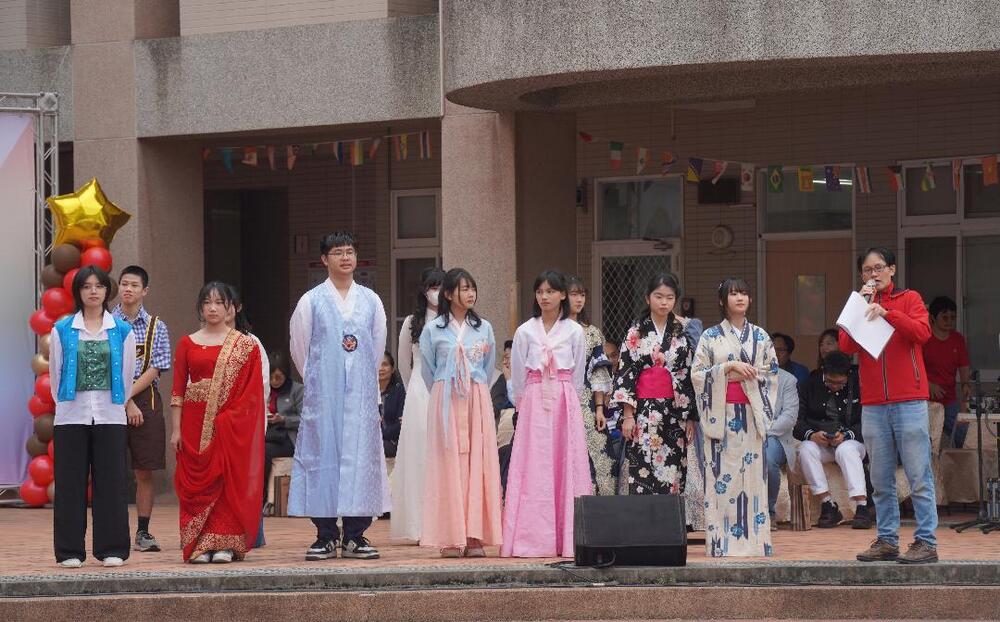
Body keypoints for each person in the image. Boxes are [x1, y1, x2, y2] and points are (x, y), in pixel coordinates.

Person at [289, 231, 389, 561]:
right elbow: (300, 349)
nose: (345, 257)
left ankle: (356, 535)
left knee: (361, 460)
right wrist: (321, 381)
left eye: (349, 252)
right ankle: (326, 535)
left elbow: (376, 348)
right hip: (324, 396)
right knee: (323, 459)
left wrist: (360, 382)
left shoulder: (371, 301)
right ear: (324, 259)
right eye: (337, 252)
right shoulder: (310, 301)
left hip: (360, 396)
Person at [844, 247, 937, 564]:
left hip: (909, 400)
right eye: (867, 270)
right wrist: (858, 306)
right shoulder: (860, 302)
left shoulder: (910, 298)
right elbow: (845, 345)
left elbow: (922, 333)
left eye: (879, 268)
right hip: (873, 403)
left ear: (892, 270)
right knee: (880, 480)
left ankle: (926, 542)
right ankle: (887, 540)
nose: (874, 274)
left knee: (918, 475)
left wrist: (888, 314)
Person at [49, 266, 136, 568]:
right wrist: (67, 405)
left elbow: (127, 375)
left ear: (107, 290)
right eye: (86, 286)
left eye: (99, 285)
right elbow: (55, 375)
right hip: (71, 417)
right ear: (78, 292)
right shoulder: (62, 329)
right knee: (69, 484)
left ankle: (112, 548)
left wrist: (115, 405)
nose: (93, 291)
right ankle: (69, 551)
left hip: (110, 416)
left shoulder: (122, 331)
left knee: (111, 483)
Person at [171, 282, 264, 563]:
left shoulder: (244, 345)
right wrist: (176, 429)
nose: (213, 308)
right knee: (196, 485)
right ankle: (199, 544)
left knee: (225, 480)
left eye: (219, 303)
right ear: (200, 308)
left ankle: (225, 543)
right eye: (207, 302)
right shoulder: (187, 342)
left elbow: (251, 394)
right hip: (192, 423)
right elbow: (177, 391)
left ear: (230, 308)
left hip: (228, 425)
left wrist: (228, 420)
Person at [502, 270, 592, 558]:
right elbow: (518, 372)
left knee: (565, 462)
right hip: (533, 398)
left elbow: (579, 371)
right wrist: (522, 402)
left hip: (564, 398)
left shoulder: (574, 331)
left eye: (551, 291)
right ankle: (532, 538)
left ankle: (568, 538)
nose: (545, 297)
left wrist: (569, 399)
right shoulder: (525, 331)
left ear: (563, 295)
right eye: (540, 291)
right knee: (534, 465)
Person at [692, 277, 779, 557]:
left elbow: (771, 372)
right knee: (722, 481)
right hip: (721, 415)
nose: (739, 298)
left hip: (751, 416)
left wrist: (744, 375)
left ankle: (755, 544)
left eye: (743, 293)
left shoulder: (761, 336)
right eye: (733, 294)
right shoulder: (709, 337)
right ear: (722, 301)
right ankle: (721, 543)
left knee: (752, 482)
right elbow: (697, 375)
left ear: (750, 299)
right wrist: (728, 368)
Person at [419, 268, 502, 557]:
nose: (470, 294)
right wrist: (446, 386)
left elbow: (488, 367)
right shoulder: (433, 329)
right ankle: (450, 536)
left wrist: (472, 386)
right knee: (447, 463)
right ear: (448, 293)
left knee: (478, 462)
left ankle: (474, 535)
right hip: (445, 399)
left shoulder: (484, 328)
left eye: (472, 288)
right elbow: (428, 370)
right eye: (464, 289)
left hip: (476, 397)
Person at [610, 273, 697, 498]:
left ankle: (669, 518)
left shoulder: (681, 331)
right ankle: (643, 518)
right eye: (658, 296)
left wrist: (689, 416)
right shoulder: (636, 332)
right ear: (647, 298)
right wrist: (628, 415)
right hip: (643, 411)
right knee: (642, 467)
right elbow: (626, 373)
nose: (664, 302)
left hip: (674, 411)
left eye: (669, 297)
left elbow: (687, 374)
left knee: (673, 469)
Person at [112, 265, 171, 553]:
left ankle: (143, 532)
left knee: (144, 470)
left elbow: (156, 368)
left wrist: (130, 397)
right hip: (110, 401)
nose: (128, 289)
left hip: (146, 401)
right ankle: (112, 532)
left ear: (144, 290)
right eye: (124, 284)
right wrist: (126, 402)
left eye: (134, 285)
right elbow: (105, 366)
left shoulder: (156, 326)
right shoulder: (107, 322)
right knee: (109, 470)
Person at [390, 267, 444, 542]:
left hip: (445, 388)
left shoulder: (452, 320)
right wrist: (414, 386)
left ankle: (443, 521)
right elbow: (403, 362)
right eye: (432, 287)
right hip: (419, 391)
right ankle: (417, 523)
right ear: (424, 291)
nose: (437, 292)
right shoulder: (412, 322)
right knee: (418, 454)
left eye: (441, 286)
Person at [792, 351, 871, 529]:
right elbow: (797, 422)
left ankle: (862, 506)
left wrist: (846, 435)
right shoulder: (808, 385)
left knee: (846, 450)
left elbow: (867, 420)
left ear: (848, 375)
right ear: (823, 372)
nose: (835, 386)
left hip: (851, 441)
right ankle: (827, 504)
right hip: (821, 442)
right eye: (830, 382)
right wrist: (812, 435)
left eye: (840, 383)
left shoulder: (859, 385)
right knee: (805, 449)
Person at [566, 276, 616, 496]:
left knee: (597, 450)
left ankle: (598, 502)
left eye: (582, 295)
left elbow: (598, 373)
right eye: (574, 294)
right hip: (559, 398)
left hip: (586, 401)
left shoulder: (593, 332)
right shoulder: (552, 330)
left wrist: (599, 408)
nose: (579, 299)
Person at [923, 296, 971, 448]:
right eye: (945, 317)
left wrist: (965, 384)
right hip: (926, 403)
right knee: (928, 444)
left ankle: (964, 463)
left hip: (950, 400)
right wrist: (928, 384)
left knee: (965, 437)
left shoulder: (958, 339)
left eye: (953, 317)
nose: (949, 321)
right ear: (933, 318)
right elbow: (913, 368)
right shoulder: (924, 339)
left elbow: (964, 365)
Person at [263, 351, 303, 508]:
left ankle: (263, 498)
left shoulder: (297, 390)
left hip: (288, 439)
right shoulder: (264, 389)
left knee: (264, 451)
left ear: (286, 374)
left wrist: (284, 419)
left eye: (278, 377)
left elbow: (306, 419)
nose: (274, 381)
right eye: (271, 377)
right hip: (268, 434)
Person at [763, 367, 799, 528]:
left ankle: (768, 513)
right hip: (745, 434)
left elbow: (790, 417)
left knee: (767, 458)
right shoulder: (743, 374)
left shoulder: (787, 379)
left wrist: (764, 432)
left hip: (776, 436)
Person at [379, 351, 405, 458]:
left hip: (392, 441)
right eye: (378, 364)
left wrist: (382, 433)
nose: (381, 368)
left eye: (385, 364)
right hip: (371, 440)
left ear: (393, 369)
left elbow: (401, 423)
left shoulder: (399, 391)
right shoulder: (367, 392)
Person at [490, 340, 515, 421]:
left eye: (507, 358)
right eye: (504, 358)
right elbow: (494, 405)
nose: (504, 362)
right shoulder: (503, 378)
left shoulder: (531, 380)